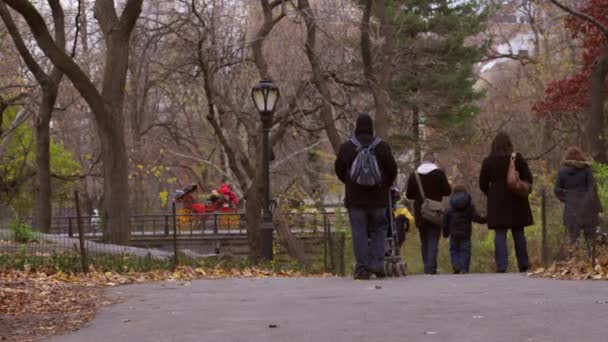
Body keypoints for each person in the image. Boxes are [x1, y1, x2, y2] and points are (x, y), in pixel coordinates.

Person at [335, 113, 398, 280]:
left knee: (359, 232)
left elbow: (339, 171)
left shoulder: (346, 147)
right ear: (372, 127)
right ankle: (377, 264)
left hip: (355, 200)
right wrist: (384, 185)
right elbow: (392, 170)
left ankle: (362, 268)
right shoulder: (382, 147)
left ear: (356, 127)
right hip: (378, 199)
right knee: (380, 229)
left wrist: (350, 182)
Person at [479, 132, 533, 273]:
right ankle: (523, 264)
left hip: (497, 203)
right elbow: (528, 178)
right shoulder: (517, 158)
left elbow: (482, 183)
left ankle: (502, 266)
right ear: (509, 144)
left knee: (500, 234)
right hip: (517, 200)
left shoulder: (488, 161)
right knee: (518, 233)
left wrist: (491, 194)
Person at [406, 153, 451, 274]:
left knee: (424, 239)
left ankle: (427, 265)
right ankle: (430, 268)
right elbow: (447, 191)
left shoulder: (414, 175)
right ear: (433, 161)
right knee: (433, 239)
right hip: (435, 211)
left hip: (420, 211)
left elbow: (408, 195)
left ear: (422, 161)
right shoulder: (439, 174)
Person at [554, 146, 602, 255]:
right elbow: (592, 189)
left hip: (571, 209)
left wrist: (568, 199)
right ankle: (592, 263)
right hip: (588, 209)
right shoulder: (587, 170)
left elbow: (557, 190)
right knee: (590, 240)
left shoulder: (562, 171)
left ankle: (572, 263)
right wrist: (592, 205)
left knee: (572, 239)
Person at [443, 185, 486, 274]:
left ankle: (456, 265)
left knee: (454, 250)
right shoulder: (469, 206)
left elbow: (445, 222)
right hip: (466, 233)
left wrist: (445, 233)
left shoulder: (450, 207)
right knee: (465, 250)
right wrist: (486, 219)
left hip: (453, 234)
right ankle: (464, 268)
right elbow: (476, 218)